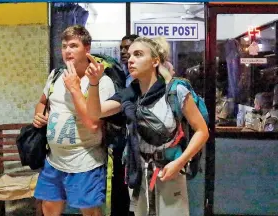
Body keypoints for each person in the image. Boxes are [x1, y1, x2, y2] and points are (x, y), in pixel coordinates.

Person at [85, 36, 209, 216]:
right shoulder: (130, 94)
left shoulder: (175, 91)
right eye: (129, 55)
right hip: (139, 172)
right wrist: (94, 83)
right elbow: (95, 113)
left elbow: (202, 131)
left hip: (170, 170)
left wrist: (179, 163)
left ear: (155, 61)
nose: (131, 60)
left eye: (138, 54)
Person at [32, 25, 115, 216]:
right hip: (54, 160)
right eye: (64, 46)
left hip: (85, 161)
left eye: (73, 45)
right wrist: (39, 114)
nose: (67, 51)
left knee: (90, 212)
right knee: (49, 208)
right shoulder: (55, 75)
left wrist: (74, 88)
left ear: (87, 49)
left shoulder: (101, 82)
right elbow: (42, 102)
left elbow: (93, 125)